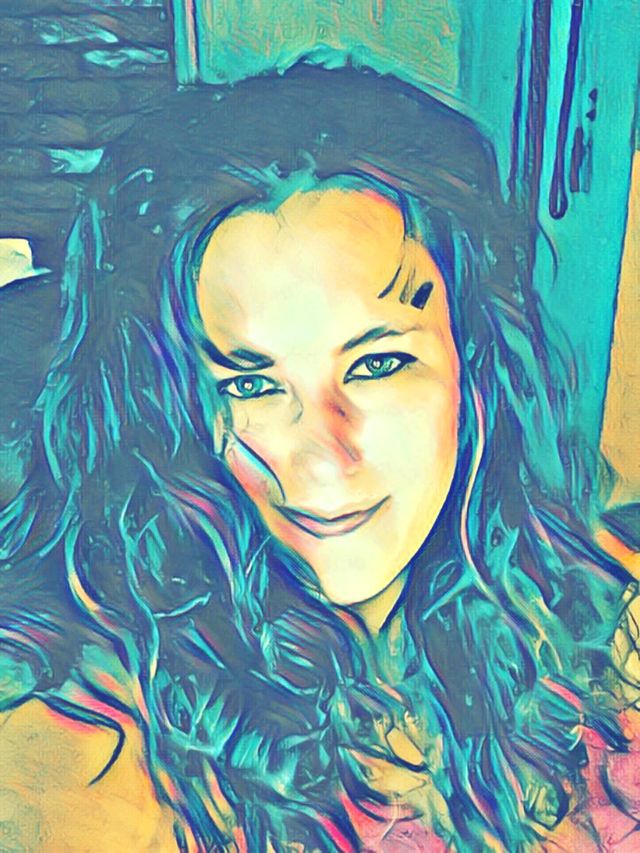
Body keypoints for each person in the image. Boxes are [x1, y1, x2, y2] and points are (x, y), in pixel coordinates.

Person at [0, 62, 638, 852]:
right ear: (169, 410)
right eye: (251, 383)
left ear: (475, 368)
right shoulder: (90, 744)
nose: (324, 458)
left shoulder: (558, 593)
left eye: (378, 364)